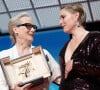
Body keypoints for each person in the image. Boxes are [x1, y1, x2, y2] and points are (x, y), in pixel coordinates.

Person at [0, 12, 61, 90]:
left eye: (33, 27)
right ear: (15, 29)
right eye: (28, 26)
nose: (33, 30)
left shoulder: (42, 53)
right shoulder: (3, 56)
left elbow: (61, 80)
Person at [59, 3, 100, 90]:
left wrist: (76, 63)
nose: (60, 22)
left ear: (76, 16)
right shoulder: (64, 49)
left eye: (63, 17)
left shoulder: (95, 38)